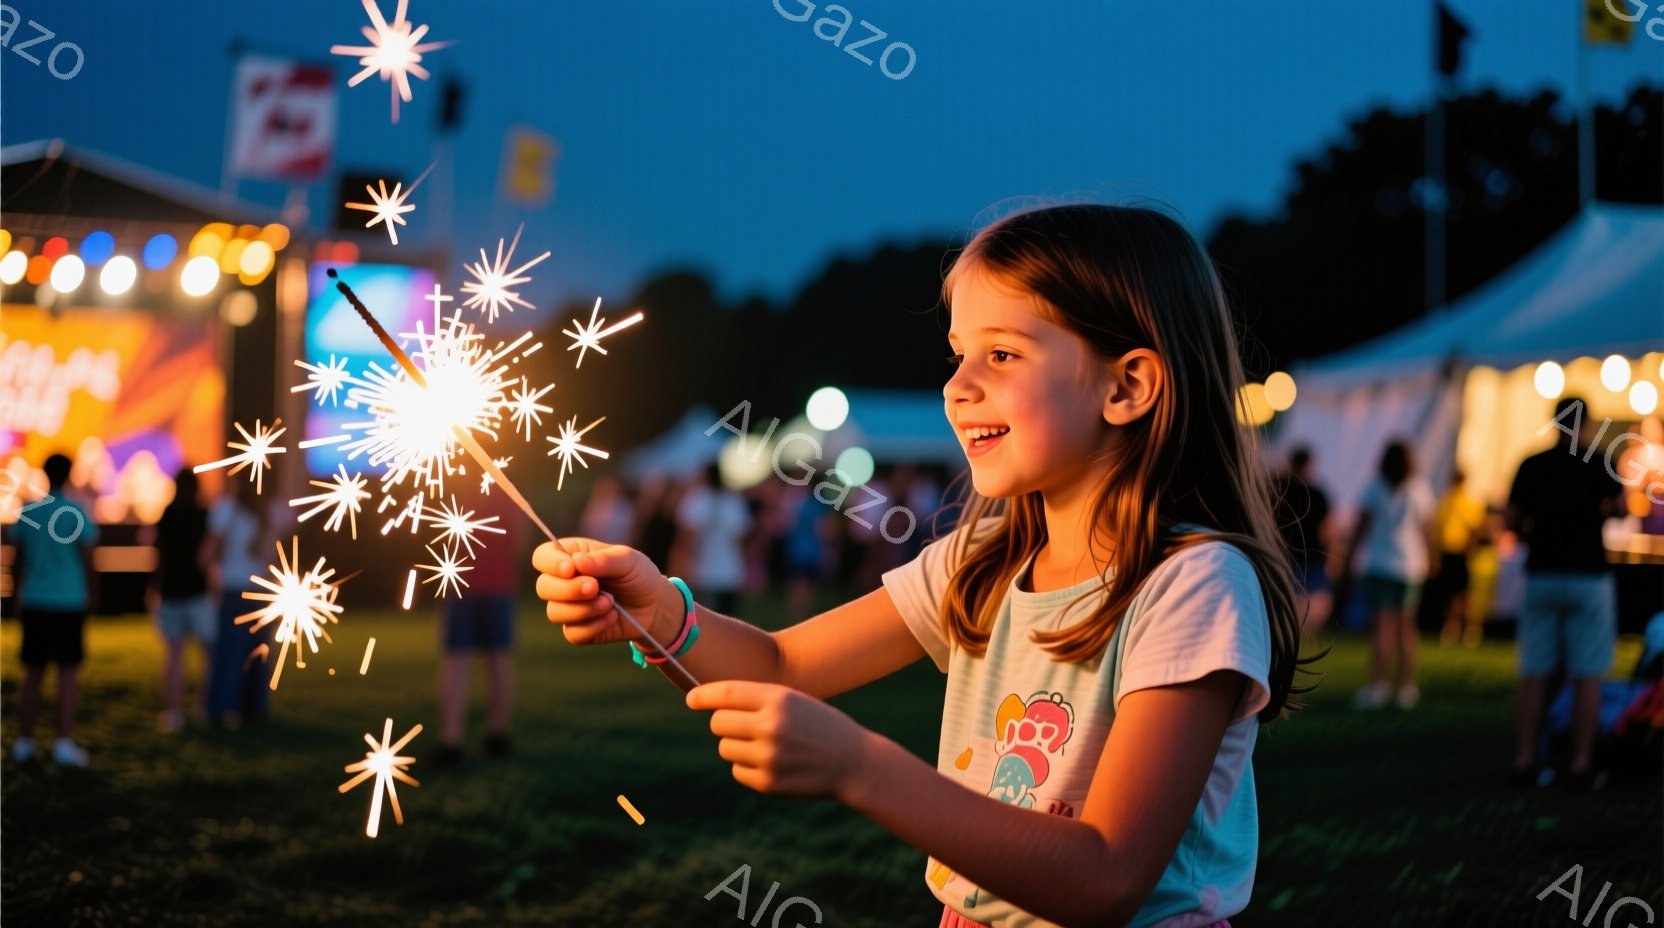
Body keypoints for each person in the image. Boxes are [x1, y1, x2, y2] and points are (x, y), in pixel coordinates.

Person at [535, 204, 1312, 927]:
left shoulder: (1194, 584)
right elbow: (780, 663)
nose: (957, 386)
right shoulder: (983, 561)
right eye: (959, 354)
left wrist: (859, 766)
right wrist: (663, 614)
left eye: (1001, 354)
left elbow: (1107, 876)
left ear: (1127, 385)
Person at [1505, 396, 1627, 789]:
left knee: (1534, 671)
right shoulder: (1600, 461)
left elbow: (1510, 519)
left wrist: (1533, 532)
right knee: (1588, 674)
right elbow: (1623, 508)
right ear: (1586, 424)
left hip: (1542, 571)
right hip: (1589, 575)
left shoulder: (1531, 463)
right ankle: (1579, 762)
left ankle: (1525, 758)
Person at [10, 453, 100, 767]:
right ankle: (62, 742)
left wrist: (17, 594)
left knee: (32, 672)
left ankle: (24, 741)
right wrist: (93, 593)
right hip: (68, 601)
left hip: (36, 600)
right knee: (67, 674)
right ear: (70, 474)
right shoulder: (75, 512)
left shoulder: (30, 512)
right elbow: (88, 558)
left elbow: (18, 560)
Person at [1341, 440, 1436, 711]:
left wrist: (1348, 560)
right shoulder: (1419, 488)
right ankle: (1406, 688)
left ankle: (1377, 686)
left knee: (1382, 628)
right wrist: (1431, 557)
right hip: (1410, 566)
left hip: (1379, 564)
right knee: (1407, 629)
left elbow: (1361, 528)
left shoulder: (1374, 487)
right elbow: (1428, 528)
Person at [437, 485, 521, 765]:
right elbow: (520, 537)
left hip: (463, 581)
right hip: (497, 583)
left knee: (458, 660)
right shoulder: (507, 487)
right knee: (497, 657)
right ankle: (497, 733)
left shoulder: (454, 484)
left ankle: (452, 739)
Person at [148, 468, 216, 733]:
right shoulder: (204, 516)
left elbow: (159, 554)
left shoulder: (167, 514)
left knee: (174, 655)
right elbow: (207, 555)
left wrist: (153, 586)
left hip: (170, 590)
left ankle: (173, 712)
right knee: (208, 654)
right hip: (197, 591)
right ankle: (203, 708)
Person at [205, 477, 274, 726]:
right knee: (256, 651)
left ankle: (223, 707)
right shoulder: (263, 512)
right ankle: (254, 706)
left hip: (232, 589)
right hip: (259, 590)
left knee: (229, 651)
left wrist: (209, 577)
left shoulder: (226, 510)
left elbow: (213, 551)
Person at [675, 462, 751, 615]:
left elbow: (687, 537)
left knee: (706, 619)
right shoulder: (733, 501)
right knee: (729, 620)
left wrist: (685, 563)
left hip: (704, 570)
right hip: (730, 569)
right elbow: (741, 537)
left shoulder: (697, 500)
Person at [1271, 447, 1333, 633]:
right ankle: (1304, 632)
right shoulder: (1318, 494)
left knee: (1288, 597)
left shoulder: (1279, 489)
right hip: (1312, 553)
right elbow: (1327, 529)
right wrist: (1332, 554)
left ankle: (1291, 631)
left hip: (1285, 552)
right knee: (1314, 598)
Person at [1431, 467, 1486, 647]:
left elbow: (1475, 529)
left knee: (1462, 593)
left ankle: (1468, 628)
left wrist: (1470, 548)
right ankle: (1453, 627)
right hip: (1449, 552)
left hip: (1460, 554)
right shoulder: (1448, 501)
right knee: (1451, 592)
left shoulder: (1463, 502)